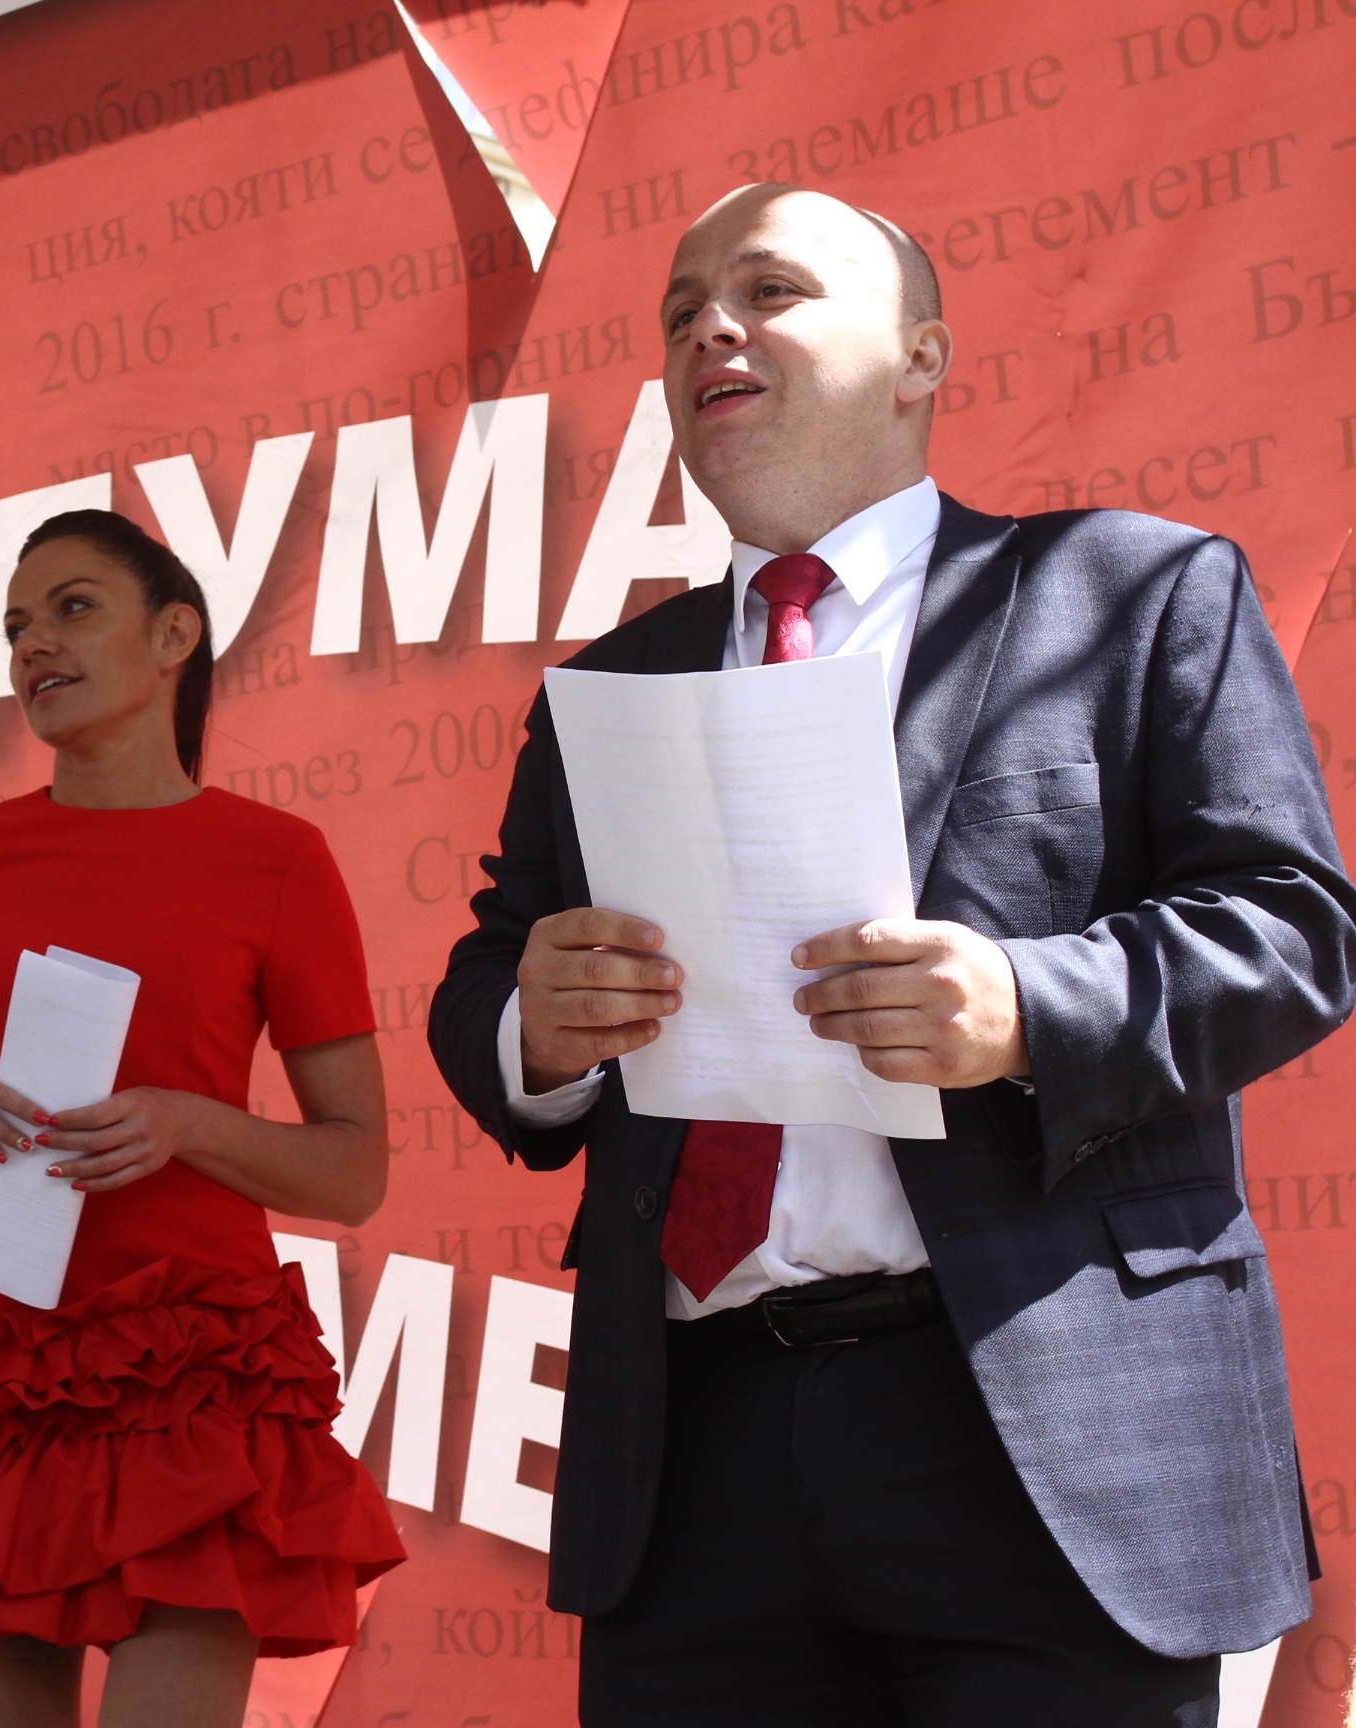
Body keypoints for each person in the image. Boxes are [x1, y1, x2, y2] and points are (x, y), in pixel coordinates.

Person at [429, 183, 1356, 1725]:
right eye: (680, 312)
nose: (710, 330)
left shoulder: (1132, 594)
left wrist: (1026, 1005)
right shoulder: (611, 687)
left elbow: (1292, 927)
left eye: (770, 290)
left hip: (1044, 1428)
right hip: (697, 1454)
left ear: (923, 355)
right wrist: (539, 1029)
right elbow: (485, 986)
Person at [0, 509, 404, 1727]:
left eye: (74, 607)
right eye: (15, 627)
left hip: (196, 1385)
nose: (33, 644)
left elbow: (354, 1172)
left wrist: (189, 1123)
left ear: (175, 634)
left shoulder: (277, 859)